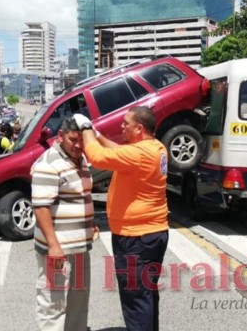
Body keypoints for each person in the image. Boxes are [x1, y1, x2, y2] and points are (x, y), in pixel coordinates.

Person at [74, 106, 169, 331]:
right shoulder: (156, 148)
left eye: (126, 123)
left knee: (135, 299)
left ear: (139, 128)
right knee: (146, 294)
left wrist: (86, 126)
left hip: (135, 238)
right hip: (153, 234)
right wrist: (97, 135)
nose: (122, 126)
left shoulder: (140, 153)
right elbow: (118, 151)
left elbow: (97, 157)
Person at [31, 117, 97, 331]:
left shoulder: (81, 158)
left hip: (79, 247)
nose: (78, 145)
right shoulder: (48, 163)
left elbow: (82, 195)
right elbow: (41, 207)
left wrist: (90, 223)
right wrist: (53, 246)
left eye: (81, 140)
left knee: (79, 299)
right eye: (72, 140)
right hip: (58, 249)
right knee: (53, 302)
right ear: (60, 137)